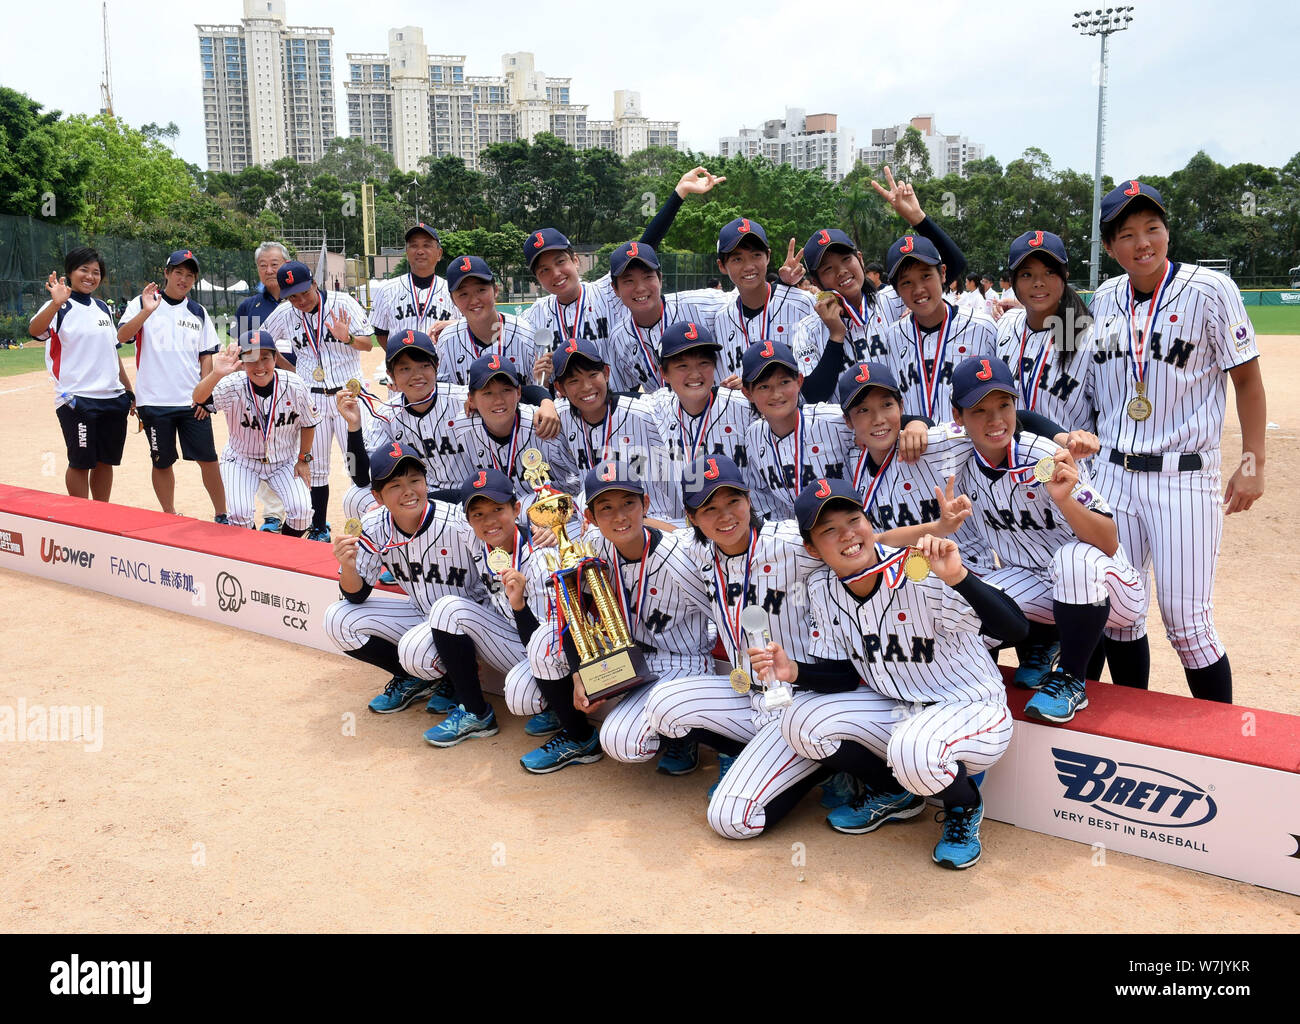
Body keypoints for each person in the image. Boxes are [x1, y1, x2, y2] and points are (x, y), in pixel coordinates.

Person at [751, 478, 1028, 869]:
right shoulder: (823, 586)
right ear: (813, 548)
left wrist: (959, 578)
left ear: (869, 522)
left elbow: (1016, 630)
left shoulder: (920, 567)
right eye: (829, 530)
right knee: (799, 721)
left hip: (971, 706)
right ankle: (894, 792)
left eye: (853, 519)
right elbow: (843, 677)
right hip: (898, 707)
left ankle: (963, 806)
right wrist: (792, 670)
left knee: (913, 749)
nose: (847, 534)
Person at [1083, 179, 1266, 703]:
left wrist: (1253, 460)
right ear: (1110, 246)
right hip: (1114, 476)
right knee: (1120, 616)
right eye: (1128, 233)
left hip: (1183, 477)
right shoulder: (1105, 298)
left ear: (1166, 231)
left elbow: (1248, 382)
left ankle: (1222, 748)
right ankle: (1129, 734)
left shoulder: (1210, 290)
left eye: (1152, 228)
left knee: (1188, 624)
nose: (1143, 242)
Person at [940, 356, 1147, 724]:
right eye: (979, 410)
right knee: (967, 602)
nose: (995, 420)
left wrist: (1065, 500)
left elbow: (1109, 542)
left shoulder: (1047, 456)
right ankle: (974, 693)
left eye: (1004, 405)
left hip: (1111, 588)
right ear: (959, 417)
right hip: (1039, 587)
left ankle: (1069, 680)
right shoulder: (959, 461)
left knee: (1073, 561)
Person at [644, 455, 834, 837]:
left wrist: (939, 530)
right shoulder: (698, 550)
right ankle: (749, 754)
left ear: (749, 499)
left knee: (731, 820)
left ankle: (823, 768)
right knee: (663, 707)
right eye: (709, 508)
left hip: (798, 698)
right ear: (692, 517)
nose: (725, 515)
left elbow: (862, 542)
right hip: (747, 692)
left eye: (733, 501)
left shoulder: (791, 542)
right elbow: (653, 530)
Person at [504, 461, 715, 774]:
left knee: (622, 742)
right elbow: (574, 614)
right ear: (589, 517)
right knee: (544, 641)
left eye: (628, 503)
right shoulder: (593, 549)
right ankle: (578, 737)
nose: (619, 516)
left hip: (680, 661)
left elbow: (726, 618)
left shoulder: (682, 556)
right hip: (624, 654)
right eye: (606, 508)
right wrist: (578, 674)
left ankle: (683, 735)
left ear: (644, 504)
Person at [525, 166, 724, 378]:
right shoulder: (533, 316)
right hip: (565, 406)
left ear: (575, 261)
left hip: (619, 403)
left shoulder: (607, 291)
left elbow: (645, 246)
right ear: (537, 278)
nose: (555, 273)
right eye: (544, 270)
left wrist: (679, 193)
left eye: (560, 261)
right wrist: (541, 381)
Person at [321, 443, 471, 716]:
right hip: (421, 613)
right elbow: (356, 595)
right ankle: (415, 679)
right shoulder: (373, 524)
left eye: (415, 480)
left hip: (467, 620)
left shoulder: (459, 520)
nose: (408, 491)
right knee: (337, 619)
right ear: (378, 497)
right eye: (395, 486)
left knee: (416, 652)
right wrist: (348, 566)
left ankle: (452, 681)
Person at [794, 166, 967, 401]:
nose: (842, 271)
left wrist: (918, 219)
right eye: (828, 268)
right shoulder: (808, 328)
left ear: (860, 259)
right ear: (816, 281)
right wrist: (836, 334)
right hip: (842, 435)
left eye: (846, 259)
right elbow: (813, 394)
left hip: (900, 428)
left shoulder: (892, 301)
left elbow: (952, 268)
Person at [417, 469, 553, 749]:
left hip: (547, 649)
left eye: (497, 509)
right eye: (477, 514)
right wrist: (391, 501)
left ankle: (558, 703)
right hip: (511, 637)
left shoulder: (539, 555)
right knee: (446, 609)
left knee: (522, 696)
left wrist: (520, 604)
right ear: (467, 519)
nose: (489, 521)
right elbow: (442, 500)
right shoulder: (475, 534)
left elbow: (544, 640)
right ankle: (475, 713)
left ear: (516, 509)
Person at [260, 260, 375, 542]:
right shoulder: (285, 313)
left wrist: (347, 338)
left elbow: (368, 343)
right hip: (312, 400)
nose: (299, 300)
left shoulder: (342, 302)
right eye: (292, 295)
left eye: (303, 292)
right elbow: (263, 341)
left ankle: (370, 528)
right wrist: (290, 370)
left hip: (349, 396)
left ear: (314, 283)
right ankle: (320, 526)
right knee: (316, 466)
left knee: (359, 468)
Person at [117, 250, 226, 521]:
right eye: (178, 272)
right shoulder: (143, 303)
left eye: (190, 275)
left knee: (208, 459)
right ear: (166, 273)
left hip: (191, 401)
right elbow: (122, 336)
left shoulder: (197, 311)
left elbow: (206, 356)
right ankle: (169, 514)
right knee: (161, 460)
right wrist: (146, 311)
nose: (184, 279)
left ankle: (223, 514)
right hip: (154, 402)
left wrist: (204, 395)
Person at [28, 247, 133, 502]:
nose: (90, 276)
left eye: (96, 272)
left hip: (112, 397)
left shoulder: (102, 308)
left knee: (105, 461)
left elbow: (113, 353)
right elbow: (35, 330)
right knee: (80, 462)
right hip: (76, 399)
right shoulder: (59, 306)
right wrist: (55, 303)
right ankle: (81, 519)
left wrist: (129, 391)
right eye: (83, 270)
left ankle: (100, 514)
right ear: (70, 272)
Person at [192, 331, 317, 536]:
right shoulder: (233, 384)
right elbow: (198, 398)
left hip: (284, 461)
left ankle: (280, 551)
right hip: (241, 460)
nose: (259, 367)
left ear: (275, 358)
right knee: (240, 515)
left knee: (302, 512)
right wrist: (216, 374)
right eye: (250, 360)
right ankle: (253, 557)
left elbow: (309, 422)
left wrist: (303, 458)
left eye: (265, 358)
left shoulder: (294, 384)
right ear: (241, 363)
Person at [543, 337, 675, 521]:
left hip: (657, 519)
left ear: (606, 372)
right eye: (574, 381)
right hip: (594, 523)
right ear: (560, 388)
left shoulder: (644, 411)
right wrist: (545, 400)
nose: (586, 387)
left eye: (592, 375)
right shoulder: (559, 415)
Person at [648, 321, 756, 524]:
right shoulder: (653, 407)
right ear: (664, 373)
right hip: (682, 529)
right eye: (682, 366)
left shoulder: (745, 405)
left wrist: (755, 392)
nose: (695, 374)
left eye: (703, 363)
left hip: (742, 524)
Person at [739, 339, 853, 521]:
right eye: (764, 386)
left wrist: (914, 424)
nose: (776, 394)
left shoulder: (832, 419)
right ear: (748, 393)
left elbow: (876, 420)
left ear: (799, 381)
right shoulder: (753, 436)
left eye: (784, 382)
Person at [602, 240, 729, 394]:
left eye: (648, 277)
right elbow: (624, 394)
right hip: (666, 417)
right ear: (615, 289)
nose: (640, 288)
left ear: (660, 279)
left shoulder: (703, 304)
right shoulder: (618, 338)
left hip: (719, 411)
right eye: (629, 281)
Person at [706, 217, 813, 386]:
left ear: (768, 256)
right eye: (737, 259)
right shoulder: (720, 319)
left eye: (756, 255)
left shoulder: (803, 304)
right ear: (721, 265)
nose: (749, 266)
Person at [236, 241, 294, 532]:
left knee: (302, 452)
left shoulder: (302, 298)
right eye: (263, 265)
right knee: (266, 447)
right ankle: (273, 515)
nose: (269, 270)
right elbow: (243, 349)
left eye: (275, 263)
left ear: (287, 263)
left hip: (299, 386)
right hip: (263, 388)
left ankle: (304, 511)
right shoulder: (249, 306)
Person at [369, 223, 459, 348]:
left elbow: (467, 328)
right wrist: (400, 361)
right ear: (407, 252)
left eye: (426, 245)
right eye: (414, 245)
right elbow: (381, 334)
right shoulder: (386, 290)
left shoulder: (454, 290)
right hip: (402, 366)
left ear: (439, 253)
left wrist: (455, 324)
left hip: (442, 365)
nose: (420, 251)